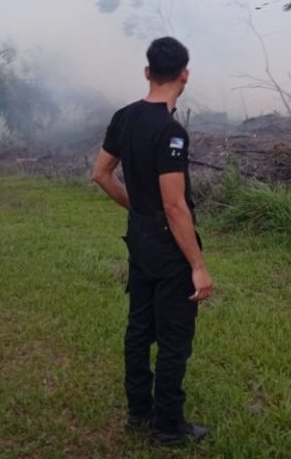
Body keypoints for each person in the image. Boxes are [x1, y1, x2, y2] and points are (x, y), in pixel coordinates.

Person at [91, 37, 214, 447]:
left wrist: (136, 207)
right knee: (175, 335)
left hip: (139, 236)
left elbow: (101, 174)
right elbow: (175, 206)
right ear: (185, 76)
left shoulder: (124, 117)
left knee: (140, 328)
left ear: (147, 72)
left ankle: (139, 413)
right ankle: (168, 427)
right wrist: (197, 264)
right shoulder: (170, 131)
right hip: (166, 243)